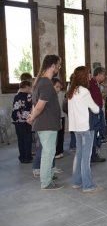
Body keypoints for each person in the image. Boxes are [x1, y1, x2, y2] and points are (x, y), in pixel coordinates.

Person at [27, 54, 63, 190]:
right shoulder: (47, 83)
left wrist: (32, 116)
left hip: (45, 123)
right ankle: (46, 182)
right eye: (58, 65)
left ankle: (46, 177)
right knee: (48, 152)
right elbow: (40, 105)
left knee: (47, 152)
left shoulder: (39, 82)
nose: (59, 67)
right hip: (47, 124)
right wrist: (32, 117)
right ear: (52, 65)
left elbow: (35, 104)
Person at [67, 66, 102, 193]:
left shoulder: (72, 90)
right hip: (86, 128)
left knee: (79, 154)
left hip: (76, 127)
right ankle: (88, 185)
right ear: (83, 76)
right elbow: (96, 109)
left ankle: (76, 182)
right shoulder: (84, 91)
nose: (90, 77)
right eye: (88, 74)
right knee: (86, 158)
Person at [11, 80, 33, 163]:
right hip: (26, 121)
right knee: (28, 139)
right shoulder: (28, 96)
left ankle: (22, 157)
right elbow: (30, 108)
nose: (30, 89)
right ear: (26, 87)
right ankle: (28, 157)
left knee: (20, 140)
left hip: (17, 121)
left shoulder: (16, 95)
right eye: (30, 87)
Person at [89, 66, 106, 163]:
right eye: (103, 74)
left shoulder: (96, 84)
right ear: (98, 74)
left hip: (96, 111)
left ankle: (94, 154)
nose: (104, 77)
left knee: (96, 133)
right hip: (93, 112)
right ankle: (92, 155)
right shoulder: (92, 83)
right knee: (95, 132)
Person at [52, 77, 65, 159]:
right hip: (53, 119)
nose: (59, 89)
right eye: (57, 86)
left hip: (61, 116)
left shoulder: (60, 94)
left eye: (60, 87)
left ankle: (59, 150)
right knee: (53, 138)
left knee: (60, 135)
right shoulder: (48, 95)